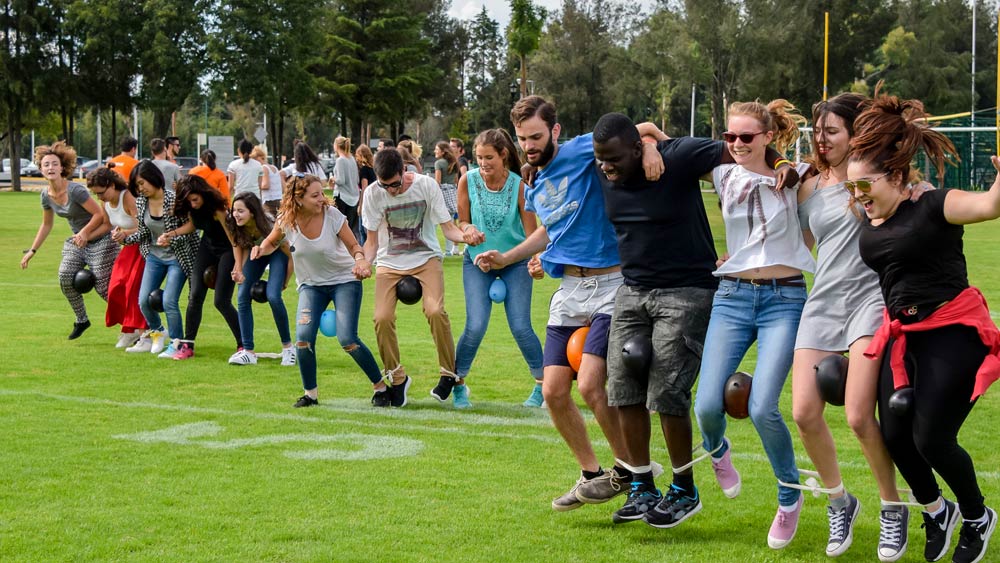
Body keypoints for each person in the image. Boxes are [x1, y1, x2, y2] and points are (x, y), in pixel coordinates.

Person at [598, 113, 801, 529]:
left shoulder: (680, 156)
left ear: (636, 150)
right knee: (622, 387)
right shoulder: (605, 162)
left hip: (687, 290)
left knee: (667, 389)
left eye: (614, 159)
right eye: (601, 159)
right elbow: (627, 131)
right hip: (632, 290)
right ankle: (641, 485)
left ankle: (683, 489)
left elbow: (743, 149)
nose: (606, 167)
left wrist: (782, 162)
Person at [475, 96, 658, 512]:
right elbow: (549, 229)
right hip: (570, 290)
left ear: (555, 131)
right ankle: (592, 473)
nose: (529, 146)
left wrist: (650, 149)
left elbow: (641, 129)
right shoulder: (534, 180)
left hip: (611, 284)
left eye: (536, 137)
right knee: (553, 391)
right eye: (522, 139)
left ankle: (631, 473)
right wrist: (508, 257)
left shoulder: (581, 149)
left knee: (591, 383)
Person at [850, 91, 1000, 563]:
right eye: (851, 188)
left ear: (896, 176)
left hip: (952, 334)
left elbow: (990, 205)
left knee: (932, 439)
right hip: (903, 338)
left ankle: (976, 517)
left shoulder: (934, 204)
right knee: (895, 436)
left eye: (864, 185)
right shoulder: (870, 215)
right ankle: (937, 510)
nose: (857, 195)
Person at [788, 92, 909, 561]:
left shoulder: (873, 177)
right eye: (818, 132)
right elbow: (796, 247)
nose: (822, 140)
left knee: (859, 415)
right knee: (804, 412)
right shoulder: (807, 187)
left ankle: (893, 507)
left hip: (869, 301)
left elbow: (909, 202)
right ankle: (840, 501)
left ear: (855, 134)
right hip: (822, 303)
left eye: (832, 131)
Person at [692, 99, 813, 549]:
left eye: (746, 136)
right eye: (730, 136)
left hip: (784, 299)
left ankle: (789, 494)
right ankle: (718, 450)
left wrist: (783, 164)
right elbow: (657, 140)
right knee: (706, 406)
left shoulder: (797, 177)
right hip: (732, 297)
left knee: (763, 407)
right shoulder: (723, 173)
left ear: (768, 136)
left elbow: (834, 179)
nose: (737, 144)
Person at [255, 174, 386, 407]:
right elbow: (272, 241)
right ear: (298, 199)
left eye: (321, 193)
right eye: (315, 195)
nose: (321, 199)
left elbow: (354, 245)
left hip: (344, 280)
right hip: (311, 286)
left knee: (347, 339)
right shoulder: (286, 220)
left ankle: (381, 388)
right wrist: (260, 250)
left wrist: (361, 261)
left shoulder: (332, 215)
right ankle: (310, 395)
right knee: (303, 340)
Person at [361, 148, 478, 408]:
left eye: (394, 184)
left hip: (426, 258)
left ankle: (448, 374)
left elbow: (448, 229)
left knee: (435, 310)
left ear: (404, 170)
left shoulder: (426, 186)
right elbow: (371, 243)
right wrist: (363, 263)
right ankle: (397, 377)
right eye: (384, 185)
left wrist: (467, 237)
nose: (390, 191)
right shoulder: (372, 194)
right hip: (389, 262)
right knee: (381, 318)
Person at [447, 129, 543, 408]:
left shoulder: (519, 186)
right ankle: (458, 385)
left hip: (515, 262)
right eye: (479, 158)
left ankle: (543, 386)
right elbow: (462, 221)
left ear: (503, 155)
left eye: (489, 157)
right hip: (477, 263)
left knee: (521, 326)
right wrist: (468, 230)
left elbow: (532, 233)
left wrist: (537, 261)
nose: (483, 163)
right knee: (475, 325)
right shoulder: (467, 180)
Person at [21, 141, 116, 340]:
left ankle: (133, 325)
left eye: (54, 164)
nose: (50, 167)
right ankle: (82, 320)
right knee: (65, 276)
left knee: (102, 287)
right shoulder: (45, 195)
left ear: (62, 167)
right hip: (78, 241)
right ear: (41, 169)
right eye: (46, 164)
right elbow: (46, 225)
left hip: (101, 238)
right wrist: (32, 250)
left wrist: (84, 233)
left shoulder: (75, 191)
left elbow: (99, 215)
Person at [120, 160, 198, 357]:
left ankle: (177, 344)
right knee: (143, 301)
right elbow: (144, 233)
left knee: (169, 301)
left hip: (177, 257)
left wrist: (171, 237)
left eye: (142, 183)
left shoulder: (173, 200)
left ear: (154, 178)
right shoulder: (141, 202)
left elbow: (191, 227)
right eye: (137, 185)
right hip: (154, 256)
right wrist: (125, 238)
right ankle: (158, 331)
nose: (141, 188)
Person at [165, 175, 242, 360]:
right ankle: (188, 345)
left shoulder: (218, 209)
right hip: (207, 246)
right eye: (188, 201)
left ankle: (244, 344)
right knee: (195, 295)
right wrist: (171, 234)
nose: (192, 204)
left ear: (203, 194)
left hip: (227, 250)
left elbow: (234, 240)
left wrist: (238, 266)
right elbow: (193, 225)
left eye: (195, 199)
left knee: (221, 301)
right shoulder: (192, 208)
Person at [227, 192, 294, 367]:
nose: (236, 214)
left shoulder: (270, 225)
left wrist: (285, 281)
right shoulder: (235, 224)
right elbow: (238, 244)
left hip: (278, 253)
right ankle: (248, 351)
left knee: (273, 296)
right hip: (256, 252)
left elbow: (290, 255)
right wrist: (238, 269)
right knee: (242, 295)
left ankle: (288, 348)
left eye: (240, 211)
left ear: (252, 212)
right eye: (234, 210)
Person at [86, 167, 146, 348]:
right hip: (127, 248)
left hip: (141, 247)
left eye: (101, 192)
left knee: (133, 288)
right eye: (96, 194)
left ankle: (142, 332)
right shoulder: (105, 202)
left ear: (112, 185)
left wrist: (125, 233)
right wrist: (86, 236)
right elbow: (106, 225)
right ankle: (128, 329)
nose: (99, 197)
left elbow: (144, 227)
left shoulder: (128, 198)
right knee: (115, 287)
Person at [434, 141, 461, 256]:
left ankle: (434, 249)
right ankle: (449, 251)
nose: (435, 151)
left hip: (442, 194)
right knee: (449, 224)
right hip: (452, 193)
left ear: (442, 151)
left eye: (437, 149)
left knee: (434, 223)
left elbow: (438, 181)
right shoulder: (454, 163)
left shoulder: (438, 163)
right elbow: (456, 181)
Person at [332, 136, 361, 235]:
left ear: (336, 146)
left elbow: (341, 181)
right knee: (350, 229)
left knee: (340, 228)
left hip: (342, 197)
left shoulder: (340, 160)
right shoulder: (352, 159)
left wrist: (333, 179)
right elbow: (357, 179)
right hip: (354, 197)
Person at [251, 145, 282, 217]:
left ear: (258, 158)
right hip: (278, 199)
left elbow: (266, 185)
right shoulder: (274, 167)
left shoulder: (263, 168)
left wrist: (255, 185)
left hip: (269, 201)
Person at [355, 144, 377, 245]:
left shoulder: (364, 170)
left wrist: (360, 205)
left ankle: (365, 250)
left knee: (362, 230)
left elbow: (364, 188)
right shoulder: (373, 169)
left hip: (366, 202)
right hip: (374, 201)